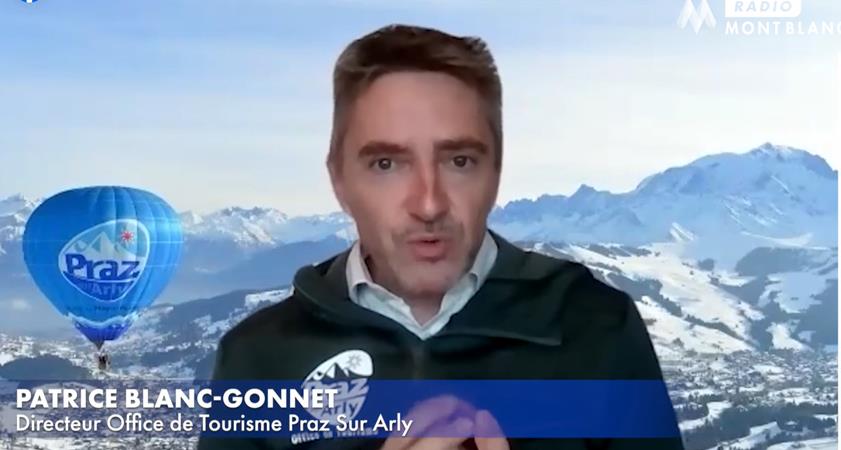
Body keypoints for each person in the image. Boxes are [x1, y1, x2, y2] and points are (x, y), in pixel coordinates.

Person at [197, 24, 684, 450]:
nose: (429, 204)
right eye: (386, 164)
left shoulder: (596, 326)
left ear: (496, 171)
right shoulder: (257, 356)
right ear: (339, 180)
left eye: (459, 161)